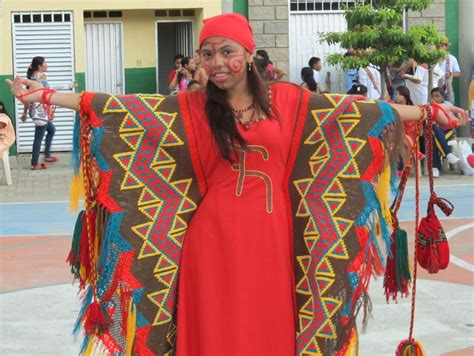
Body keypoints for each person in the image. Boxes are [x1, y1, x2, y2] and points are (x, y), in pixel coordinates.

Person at [6, 13, 469, 355]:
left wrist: (428, 112)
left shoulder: (289, 101)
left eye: (227, 52)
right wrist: (47, 94)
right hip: (210, 241)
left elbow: (360, 114)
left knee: (271, 328)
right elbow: (120, 107)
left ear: (249, 55)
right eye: (207, 54)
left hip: (274, 239)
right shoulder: (188, 107)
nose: (217, 63)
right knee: (214, 330)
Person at [22, 56, 57, 170]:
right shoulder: (42, 77)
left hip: (34, 110)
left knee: (51, 130)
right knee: (38, 137)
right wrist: (50, 110)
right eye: (45, 63)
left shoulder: (31, 77)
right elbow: (46, 95)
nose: (47, 65)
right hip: (41, 112)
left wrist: (25, 112)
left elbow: (27, 96)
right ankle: (34, 163)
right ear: (39, 66)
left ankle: (46, 155)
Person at [430, 87, 460, 177]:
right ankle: (448, 154)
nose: (435, 98)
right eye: (433, 96)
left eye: (437, 96)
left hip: (447, 132)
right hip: (434, 132)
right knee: (434, 131)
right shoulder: (429, 106)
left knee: (434, 137)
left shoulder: (447, 106)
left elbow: (453, 121)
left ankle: (435, 167)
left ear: (443, 97)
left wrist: (455, 135)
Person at [437, 36, 460, 104]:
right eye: (438, 46)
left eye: (442, 45)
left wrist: (451, 74)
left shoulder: (452, 58)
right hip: (436, 90)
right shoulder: (434, 59)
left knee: (450, 110)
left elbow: (458, 73)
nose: (440, 48)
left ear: (446, 47)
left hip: (448, 90)